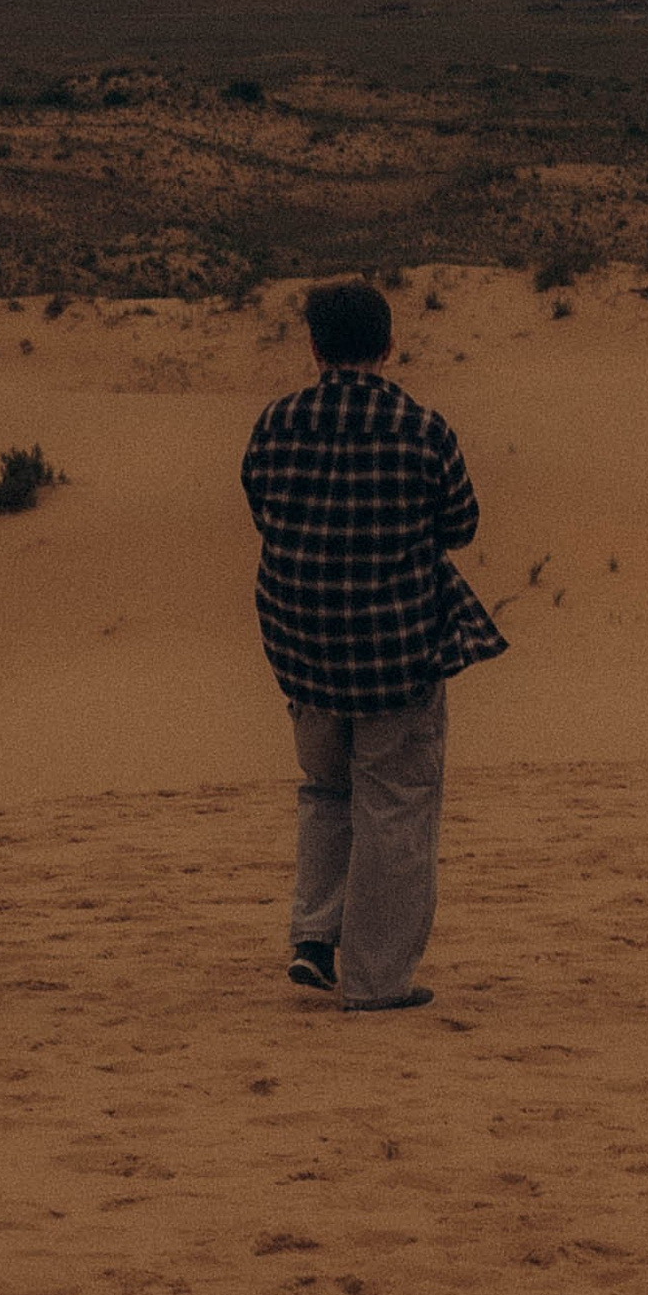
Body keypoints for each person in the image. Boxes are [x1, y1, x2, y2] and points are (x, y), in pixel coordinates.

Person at [240, 278, 507, 1011]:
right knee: (396, 807)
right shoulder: (421, 429)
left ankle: (314, 941)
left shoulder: (276, 423)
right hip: (396, 651)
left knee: (325, 791)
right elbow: (461, 524)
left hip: (304, 650)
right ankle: (375, 979)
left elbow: (261, 508)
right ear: (388, 345)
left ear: (315, 346)